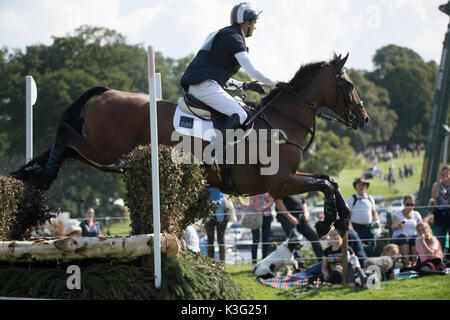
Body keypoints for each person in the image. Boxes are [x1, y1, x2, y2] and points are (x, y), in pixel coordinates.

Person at [180, 2, 277, 138]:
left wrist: (245, 85)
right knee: (241, 115)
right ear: (247, 22)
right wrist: (275, 84)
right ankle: (215, 152)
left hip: (203, 85)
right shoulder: (234, 38)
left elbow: (217, 75)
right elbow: (252, 72)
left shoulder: (227, 35)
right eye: (254, 22)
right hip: (204, 87)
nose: (255, 26)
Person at [275, 194, 323, 268]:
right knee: (294, 240)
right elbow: (279, 204)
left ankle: (322, 261)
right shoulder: (281, 188)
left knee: (313, 236)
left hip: (301, 216)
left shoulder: (297, 188)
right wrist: (290, 217)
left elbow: (303, 202)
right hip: (286, 217)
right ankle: (300, 265)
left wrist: (306, 213)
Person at [238, 193, 274, 266]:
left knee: (265, 239)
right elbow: (238, 195)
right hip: (254, 215)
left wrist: (263, 208)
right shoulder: (251, 188)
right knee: (255, 240)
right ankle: (254, 263)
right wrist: (243, 205)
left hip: (266, 215)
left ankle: (264, 261)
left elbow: (272, 201)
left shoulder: (266, 188)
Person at [347, 178, 380, 249]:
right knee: (357, 248)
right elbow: (346, 216)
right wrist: (352, 230)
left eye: (363, 185)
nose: (362, 187)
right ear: (356, 186)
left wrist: (377, 221)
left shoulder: (370, 198)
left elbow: (374, 212)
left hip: (369, 227)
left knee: (373, 247)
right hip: (356, 227)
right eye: (359, 185)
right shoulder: (351, 199)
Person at [392, 195, 422, 268]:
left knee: (415, 238)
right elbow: (393, 227)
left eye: (412, 204)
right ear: (403, 204)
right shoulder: (397, 214)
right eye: (407, 204)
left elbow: (421, 226)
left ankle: (414, 263)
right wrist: (398, 226)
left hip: (412, 238)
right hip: (399, 238)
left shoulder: (416, 214)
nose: (409, 206)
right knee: (403, 236)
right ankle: (407, 262)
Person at [431, 165, 450, 263]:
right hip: (440, 213)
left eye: (448, 172)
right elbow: (434, 197)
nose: (446, 175)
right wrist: (439, 182)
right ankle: (440, 261)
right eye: (444, 173)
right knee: (440, 237)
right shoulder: (436, 185)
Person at [205, 188, 229, 262]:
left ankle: (222, 263)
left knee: (221, 238)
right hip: (208, 207)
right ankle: (210, 262)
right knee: (210, 239)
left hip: (221, 207)